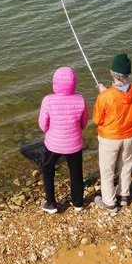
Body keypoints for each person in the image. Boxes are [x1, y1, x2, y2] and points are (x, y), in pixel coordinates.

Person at [93, 54, 132, 212]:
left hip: (110, 137)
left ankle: (109, 202)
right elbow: (123, 99)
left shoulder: (105, 97)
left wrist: (103, 94)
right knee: (126, 165)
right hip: (129, 135)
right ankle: (124, 196)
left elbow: (97, 119)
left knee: (107, 169)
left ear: (111, 73)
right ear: (128, 75)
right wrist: (106, 93)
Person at [38, 67, 88, 213]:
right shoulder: (80, 100)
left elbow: (43, 125)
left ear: (55, 83)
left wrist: (52, 131)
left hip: (53, 144)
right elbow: (83, 124)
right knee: (76, 172)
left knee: (48, 169)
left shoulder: (48, 100)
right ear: (74, 84)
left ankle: (51, 203)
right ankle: (78, 203)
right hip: (74, 144)